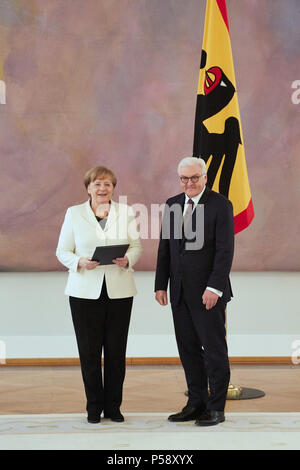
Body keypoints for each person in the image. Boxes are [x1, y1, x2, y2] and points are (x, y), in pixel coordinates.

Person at [56, 166, 142, 424]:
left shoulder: (125, 212)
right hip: (83, 292)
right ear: (88, 188)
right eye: (97, 184)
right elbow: (62, 251)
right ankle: (93, 407)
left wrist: (127, 260)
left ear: (113, 188)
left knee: (116, 352)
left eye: (107, 185)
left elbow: (136, 246)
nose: (102, 189)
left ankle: (113, 407)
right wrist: (80, 262)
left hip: (120, 290)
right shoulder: (74, 213)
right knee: (89, 352)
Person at [155, 157, 234, 426]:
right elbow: (165, 247)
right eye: (184, 179)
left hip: (208, 293)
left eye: (194, 178)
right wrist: (160, 284)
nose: (189, 183)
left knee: (214, 351)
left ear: (205, 177)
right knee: (188, 349)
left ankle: (216, 408)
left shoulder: (220, 205)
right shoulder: (173, 204)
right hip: (178, 292)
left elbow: (225, 251)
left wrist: (215, 287)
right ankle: (196, 402)